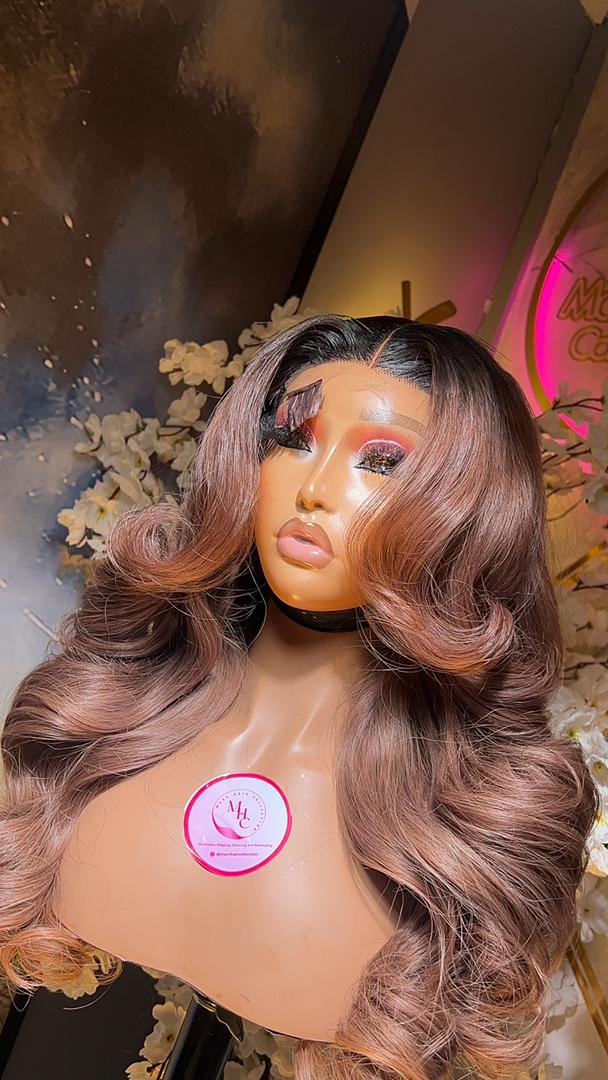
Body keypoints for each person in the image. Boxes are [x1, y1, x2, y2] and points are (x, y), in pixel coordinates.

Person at [0, 314, 598, 1080]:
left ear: (465, 515)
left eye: (381, 461)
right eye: (294, 439)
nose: (314, 491)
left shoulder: (444, 857)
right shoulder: (111, 730)